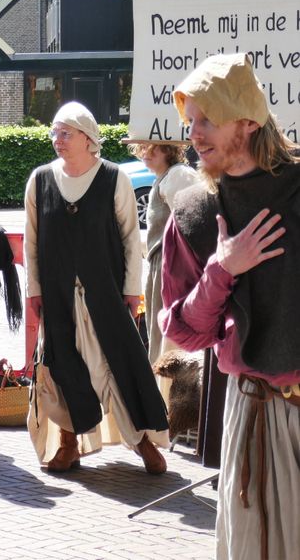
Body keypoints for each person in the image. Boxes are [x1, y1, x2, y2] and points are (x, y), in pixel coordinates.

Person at [160, 53, 300, 560]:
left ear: (249, 119)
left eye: (208, 119)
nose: (195, 134)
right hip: (256, 411)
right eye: (190, 121)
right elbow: (184, 331)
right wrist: (223, 269)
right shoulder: (195, 215)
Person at [24, 101, 169, 475]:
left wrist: (131, 289)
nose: (57, 139)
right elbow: (32, 241)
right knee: (62, 366)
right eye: (54, 131)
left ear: (88, 139)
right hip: (57, 294)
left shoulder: (113, 177)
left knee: (117, 364)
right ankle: (69, 444)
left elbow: (129, 239)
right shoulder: (40, 180)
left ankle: (142, 441)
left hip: (104, 291)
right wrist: (34, 289)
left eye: (65, 132)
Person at [121, 139, 199, 365]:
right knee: (160, 337)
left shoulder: (178, 175)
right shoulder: (163, 178)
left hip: (174, 268)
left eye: (155, 146)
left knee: (169, 341)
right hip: (162, 267)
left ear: (170, 148)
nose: (147, 151)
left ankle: (170, 395)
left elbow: (192, 224)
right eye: (143, 146)